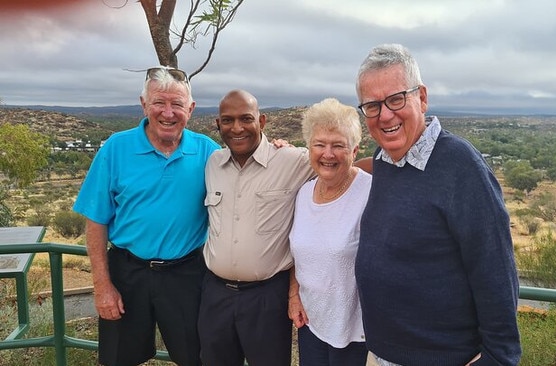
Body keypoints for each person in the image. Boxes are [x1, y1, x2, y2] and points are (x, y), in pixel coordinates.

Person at [354, 44, 521, 366]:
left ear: (422, 98)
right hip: (381, 354)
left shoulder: (460, 166)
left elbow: (495, 270)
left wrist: (498, 358)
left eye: (395, 99)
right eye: (372, 106)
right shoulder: (384, 159)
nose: (385, 115)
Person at [72, 66, 220, 366]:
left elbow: (247, 174)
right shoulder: (115, 148)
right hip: (127, 272)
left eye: (177, 104)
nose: (168, 113)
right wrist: (102, 286)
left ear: (190, 109)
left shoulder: (208, 152)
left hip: (187, 274)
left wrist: (278, 150)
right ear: (143, 105)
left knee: (198, 357)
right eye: (159, 103)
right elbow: (96, 222)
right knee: (117, 359)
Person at [199, 89, 315, 366]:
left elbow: (340, 165)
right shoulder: (212, 163)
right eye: (227, 120)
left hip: (267, 298)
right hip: (215, 295)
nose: (237, 128)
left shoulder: (293, 160)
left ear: (261, 122)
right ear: (218, 124)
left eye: (246, 119)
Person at [288, 98, 371, 366]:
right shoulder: (303, 193)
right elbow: (299, 253)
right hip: (311, 322)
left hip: (357, 331)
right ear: (309, 148)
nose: (328, 154)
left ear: (355, 150)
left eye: (338, 145)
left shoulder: (370, 192)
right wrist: (294, 295)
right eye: (320, 145)